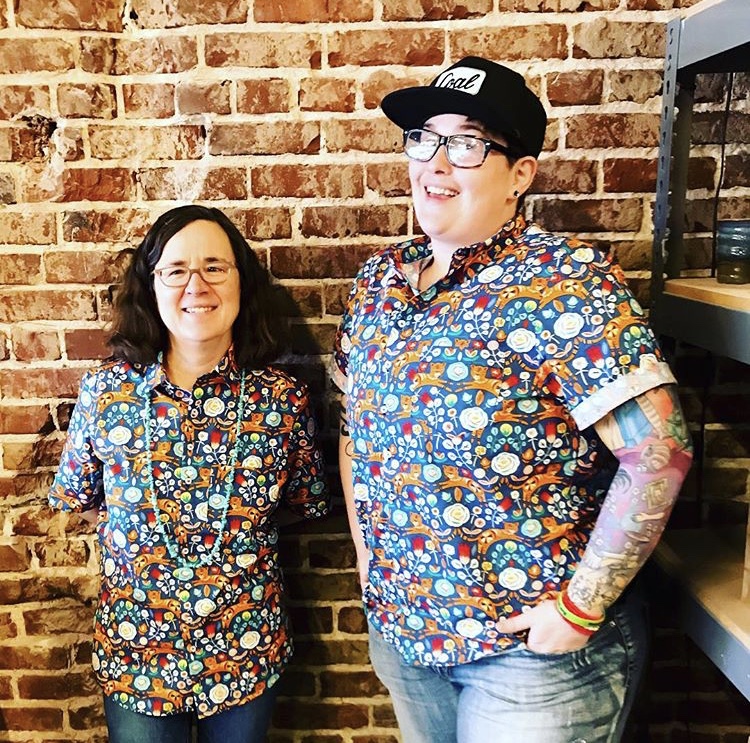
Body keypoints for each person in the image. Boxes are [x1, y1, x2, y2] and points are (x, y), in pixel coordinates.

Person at [331, 57, 693, 743]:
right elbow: (355, 431)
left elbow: (661, 453)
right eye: (424, 138)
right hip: (410, 640)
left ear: (519, 174)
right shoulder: (381, 282)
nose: (436, 163)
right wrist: (367, 556)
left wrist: (580, 608)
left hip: (532, 660)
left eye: (467, 143)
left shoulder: (564, 280)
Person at [49, 205, 329, 743]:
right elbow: (81, 495)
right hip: (138, 650)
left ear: (241, 281)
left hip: (245, 648)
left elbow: (304, 503)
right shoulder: (107, 393)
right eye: (175, 270)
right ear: (150, 286)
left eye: (214, 267)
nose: (195, 285)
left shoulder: (282, 398)